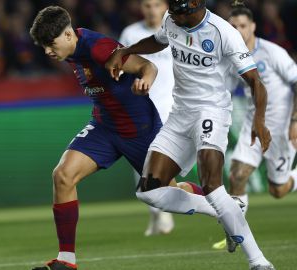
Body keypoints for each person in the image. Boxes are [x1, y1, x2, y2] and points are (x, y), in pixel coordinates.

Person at [29, 6, 219, 270]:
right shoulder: (70, 52)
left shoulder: (98, 47)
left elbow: (146, 65)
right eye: (43, 46)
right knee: (63, 175)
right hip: (104, 128)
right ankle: (66, 261)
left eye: (51, 44)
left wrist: (146, 81)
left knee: (170, 192)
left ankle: (223, 203)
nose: (48, 51)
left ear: (69, 35)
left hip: (139, 130)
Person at [105, 0, 275, 269]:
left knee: (211, 185)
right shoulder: (173, 20)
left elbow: (254, 80)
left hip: (211, 112)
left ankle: (259, 262)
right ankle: (227, 209)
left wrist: (260, 121)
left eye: (177, 12)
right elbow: (159, 40)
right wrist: (127, 50)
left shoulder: (223, 32)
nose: (171, 16)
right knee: (148, 191)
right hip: (179, 114)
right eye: (170, 11)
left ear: (195, 6)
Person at [212, 1, 297, 251]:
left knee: (278, 190)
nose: (237, 30)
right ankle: (236, 233)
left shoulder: (272, 52)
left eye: (242, 25)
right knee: (237, 175)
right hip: (253, 123)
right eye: (233, 26)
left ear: (253, 27)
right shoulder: (231, 57)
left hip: (281, 128)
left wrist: (295, 121)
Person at [119, 0, 176, 237]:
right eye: (146, 5)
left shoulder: (175, 30)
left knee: (161, 162)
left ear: (165, 7)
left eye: (155, 4)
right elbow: (120, 66)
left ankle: (165, 211)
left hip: (172, 109)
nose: (151, 9)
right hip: (141, 109)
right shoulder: (131, 33)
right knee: (140, 165)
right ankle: (156, 213)